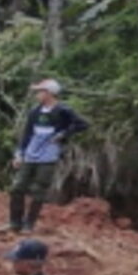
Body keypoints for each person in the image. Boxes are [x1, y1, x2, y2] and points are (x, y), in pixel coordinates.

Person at [9, 78, 90, 232]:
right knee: (17, 187)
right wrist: (19, 154)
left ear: (49, 93)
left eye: (40, 91)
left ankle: (29, 224)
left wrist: (63, 134)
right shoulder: (34, 112)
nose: (37, 95)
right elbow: (26, 134)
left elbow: (82, 124)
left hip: (48, 156)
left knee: (39, 190)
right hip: (30, 155)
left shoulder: (63, 111)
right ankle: (15, 222)